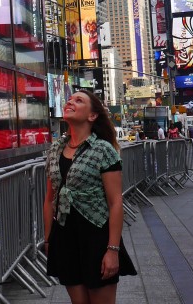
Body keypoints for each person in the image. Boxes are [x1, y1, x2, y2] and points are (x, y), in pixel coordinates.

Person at [44, 90, 137, 301]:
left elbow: (115, 202)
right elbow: (50, 199)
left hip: (96, 237)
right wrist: (49, 240)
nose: (70, 102)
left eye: (79, 100)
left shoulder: (103, 150)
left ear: (92, 116)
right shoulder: (55, 149)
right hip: (65, 237)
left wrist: (112, 250)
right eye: (70, 99)